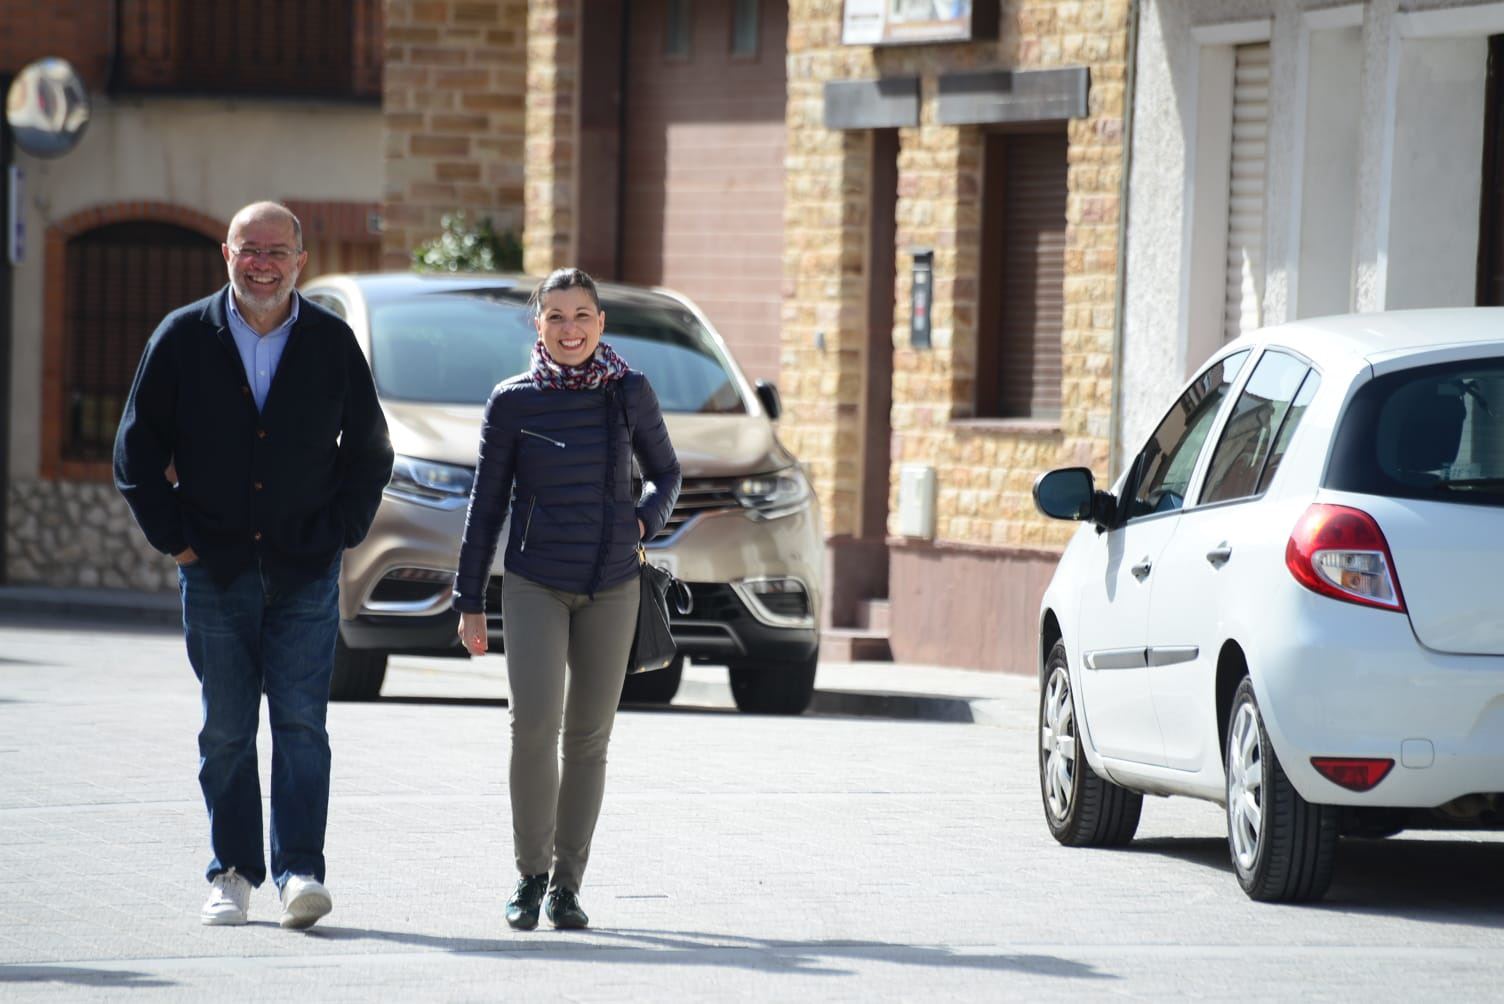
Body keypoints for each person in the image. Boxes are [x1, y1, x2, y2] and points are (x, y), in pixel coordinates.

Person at [113, 201, 393, 929]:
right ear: (227, 255)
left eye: (277, 250)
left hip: (306, 570)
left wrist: (339, 531)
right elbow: (134, 457)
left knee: (302, 726)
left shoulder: (331, 343)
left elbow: (369, 453)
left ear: (301, 260)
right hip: (215, 570)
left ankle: (300, 870)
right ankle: (232, 871)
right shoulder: (181, 337)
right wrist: (178, 542)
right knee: (227, 731)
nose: (262, 263)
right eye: (249, 249)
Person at [454, 267, 681, 931]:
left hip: (613, 585)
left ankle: (568, 885)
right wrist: (470, 599)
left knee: (588, 739)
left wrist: (644, 521)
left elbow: (666, 472)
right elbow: (486, 505)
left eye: (582, 315)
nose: (570, 328)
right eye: (556, 316)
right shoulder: (513, 401)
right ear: (538, 326)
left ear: (601, 323)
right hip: (534, 583)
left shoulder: (628, 393)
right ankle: (530, 875)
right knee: (532, 729)